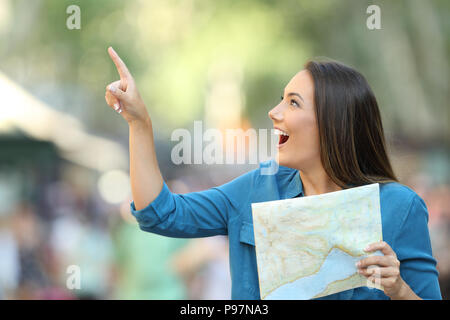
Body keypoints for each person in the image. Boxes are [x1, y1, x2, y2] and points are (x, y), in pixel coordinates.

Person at [104, 47, 442, 300]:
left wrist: (399, 290)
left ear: (332, 124)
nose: (273, 112)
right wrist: (139, 123)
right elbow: (159, 214)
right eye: (281, 99)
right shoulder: (255, 189)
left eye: (293, 103)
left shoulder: (400, 207)